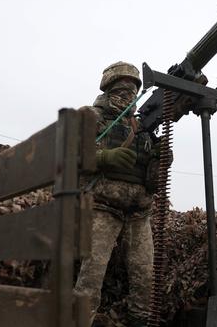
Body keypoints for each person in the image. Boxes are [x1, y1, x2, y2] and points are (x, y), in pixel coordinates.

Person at [75, 61, 157, 327]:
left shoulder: (142, 125)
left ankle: (139, 322)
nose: (128, 95)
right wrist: (104, 157)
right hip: (102, 206)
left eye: (133, 90)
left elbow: (152, 171)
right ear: (108, 88)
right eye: (121, 89)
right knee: (92, 275)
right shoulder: (90, 116)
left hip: (139, 212)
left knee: (144, 275)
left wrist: (160, 158)